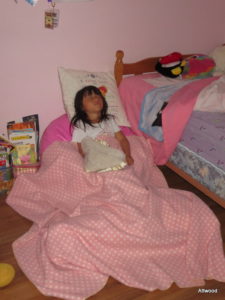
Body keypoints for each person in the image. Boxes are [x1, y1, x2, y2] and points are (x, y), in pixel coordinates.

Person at [71, 85, 134, 165]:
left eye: (98, 96)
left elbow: (122, 139)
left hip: (114, 154)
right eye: (90, 98)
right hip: (96, 159)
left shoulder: (109, 120)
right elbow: (80, 148)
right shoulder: (81, 125)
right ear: (82, 107)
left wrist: (127, 155)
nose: (96, 98)